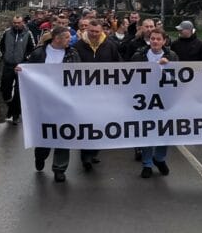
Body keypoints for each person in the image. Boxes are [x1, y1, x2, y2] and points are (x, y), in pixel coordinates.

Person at [17, 26, 82, 182]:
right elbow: (28, 70)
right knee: (45, 133)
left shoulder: (72, 54)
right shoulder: (39, 53)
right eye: (67, 37)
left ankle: (60, 168)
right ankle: (40, 155)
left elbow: (80, 74)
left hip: (65, 102)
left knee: (64, 134)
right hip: (43, 102)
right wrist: (21, 70)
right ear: (57, 38)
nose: (70, 40)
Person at [72, 19, 124, 171]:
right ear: (86, 30)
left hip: (104, 95)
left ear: (101, 31)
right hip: (84, 95)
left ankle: (94, 152)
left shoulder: (110, 46)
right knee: (86, 125)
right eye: (91, 31)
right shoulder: (77, 47)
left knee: (100, 124)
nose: (94, 34)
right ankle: (85, 156)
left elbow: (119, 66)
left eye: (97, 31)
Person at [131, 29, 179, 178]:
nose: (155, 42)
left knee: (164, 131)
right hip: (144, 99)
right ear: (149, 40)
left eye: (158, 39)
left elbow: (179, 78)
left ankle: (159, 158)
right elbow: (130, 77)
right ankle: (147, 164)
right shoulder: (139, 56)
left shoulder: (172, 56)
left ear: (164, 41)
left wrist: (167, 68)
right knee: (146, 132)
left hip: (164, 100)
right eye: (152, 39)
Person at [0, 16, 35, 125]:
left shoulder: (28, 34)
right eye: (14, 22)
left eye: (18, 23)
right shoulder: (7, 33)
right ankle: (11, 106)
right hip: (8, 65)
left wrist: (26, 59)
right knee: (5, 89)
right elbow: (1, 46)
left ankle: (15, 114)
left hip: (21, 66)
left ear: (23, 23)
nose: (16, 25)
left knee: (19, 91)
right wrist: (3, 56)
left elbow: (32, 48)